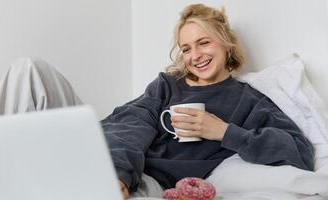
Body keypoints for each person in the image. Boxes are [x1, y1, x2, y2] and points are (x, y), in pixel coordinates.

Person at [100, 4, 314, 199]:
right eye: (186, 49)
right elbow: (131, 122)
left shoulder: (248, 100)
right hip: (138, 174)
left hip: (171, 187)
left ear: (226, 43)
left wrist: (223, 131)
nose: (195, 55)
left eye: (203, 43)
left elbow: (299, 151)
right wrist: (120, 174)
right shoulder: (167, 85)